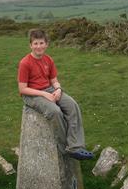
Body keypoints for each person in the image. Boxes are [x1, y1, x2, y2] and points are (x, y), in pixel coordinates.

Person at [17, 29, 93, 160]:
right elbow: (22, 88)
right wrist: (44, 94)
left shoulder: (48, 60)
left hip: (50, 89)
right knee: (55, 111)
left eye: (41, 43)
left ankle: (75, 146)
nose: (38, 46)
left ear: (47, 44)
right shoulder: (25, 63)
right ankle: (65, 148)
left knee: (72, 106)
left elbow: (54, 80)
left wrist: (58, 90)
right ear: (30, 45)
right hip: (32, 95)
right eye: (35, 43)